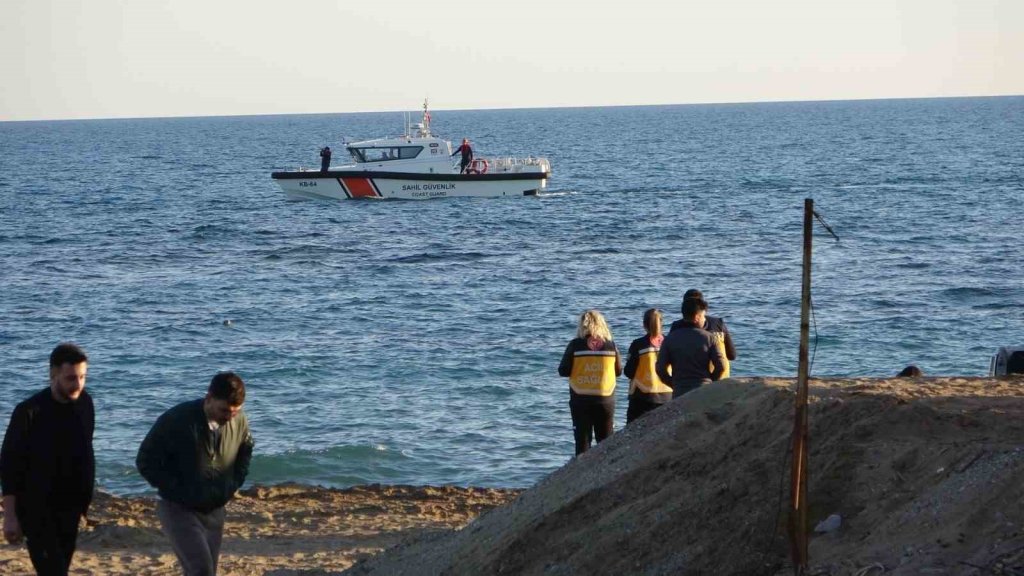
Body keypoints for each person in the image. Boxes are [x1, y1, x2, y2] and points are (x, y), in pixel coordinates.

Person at [136, 372, 254, 576]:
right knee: (201, 570)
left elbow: (246, 448)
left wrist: (233, 483)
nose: (228, 417)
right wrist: (177, 489)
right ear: (209, 398)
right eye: (224, 410)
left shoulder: (239, 421)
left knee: (206, 571)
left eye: (234, 412)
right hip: (178, 509)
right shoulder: (176, 420)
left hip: (216, 509)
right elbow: (145, 461)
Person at [1, 343, 94, 576]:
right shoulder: (28, 412)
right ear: (53, 375)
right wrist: (10, 517)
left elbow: (84, 453)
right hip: (36, 509)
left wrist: (84, 505)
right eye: (71, 378)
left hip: (71, 507)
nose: (78, 384)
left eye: (82, 377)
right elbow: (9, 466)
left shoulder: (85, 404)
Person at [558, 310, 622, 455]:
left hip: (581, 399)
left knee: (582, 442)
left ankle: (582, 474)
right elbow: (618, 371)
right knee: (606, 441)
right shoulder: (611, 346)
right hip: (605, 398)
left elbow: (563, 370)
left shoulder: (575, 345)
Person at [657, 298, 725, 398]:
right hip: (703, 391)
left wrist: (674, 384)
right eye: (703, 316)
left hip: (679, 391)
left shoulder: (670, 339)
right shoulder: (709, 338)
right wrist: (710, 382)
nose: (705, 319)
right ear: (697, 317)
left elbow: (660, 369)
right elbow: (721, 366)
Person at [670, 288, 736, 377]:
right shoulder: (719, 324)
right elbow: (732, 355)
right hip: (720, 381)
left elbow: (669, 357)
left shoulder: (677, 327)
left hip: (689, 379)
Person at [624, 309, 674, 423]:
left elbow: (629, 372)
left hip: (642, 396)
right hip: (667, 394)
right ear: (661, 323)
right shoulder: (670, 342)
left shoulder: (638, 344)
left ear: (644, 324)